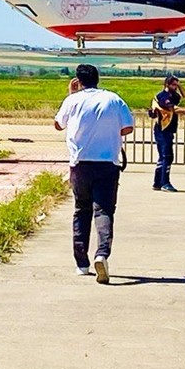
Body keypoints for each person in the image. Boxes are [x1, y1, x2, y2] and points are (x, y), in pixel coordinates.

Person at [54, 63, 134, 284]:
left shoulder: (72, 100)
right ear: (98, 78)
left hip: (79, 164)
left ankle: (82, 263)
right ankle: (102, 254)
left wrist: (71, 95)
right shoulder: (113, 99)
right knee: (104, 211)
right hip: (108, 163)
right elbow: (128, 127)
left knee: (81, 210)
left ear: (78, 81)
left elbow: (58, 124)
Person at [150, 75, 185, 192]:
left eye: (176, 85)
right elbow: (173, 109)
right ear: (167, 85)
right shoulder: (163, 97)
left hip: (168, 129)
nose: (175, 87)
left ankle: (157, 182)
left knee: (163, 156)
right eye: (173, 85)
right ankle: (165, 183)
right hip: (162, 130)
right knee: (167, 156)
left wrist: (179, 85)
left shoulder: (174, 95)